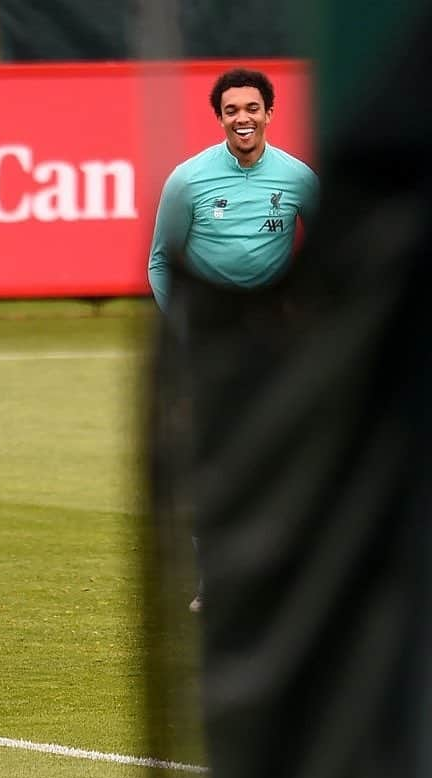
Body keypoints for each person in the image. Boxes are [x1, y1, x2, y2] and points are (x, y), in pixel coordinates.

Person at [146, 67, 319, 612]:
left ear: (270, 113)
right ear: (219, 117)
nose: (242, 119)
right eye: (231, 111)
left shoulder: (298, 178)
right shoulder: (188, 180)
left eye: (251, 109)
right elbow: (159, 262)